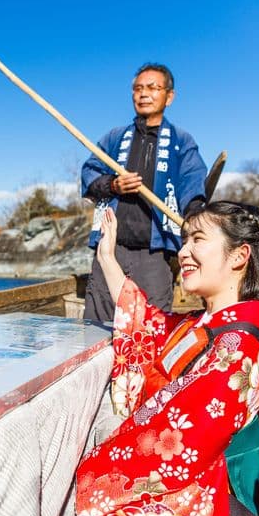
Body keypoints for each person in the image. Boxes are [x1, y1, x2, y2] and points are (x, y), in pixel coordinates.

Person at [74, 201, 259, 516]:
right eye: (185, 240)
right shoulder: (205, 327)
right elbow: (148, 324)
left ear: (239, 256)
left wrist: (95, 471)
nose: (184, 252)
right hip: (191, 487)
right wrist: (107, 259)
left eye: (197, 240)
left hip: (210, 513)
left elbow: (176, 442)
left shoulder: (238, 351)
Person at [81, 63, 207, 322]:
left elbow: (192, 183)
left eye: (153, 87)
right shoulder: (114, 138)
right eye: (138, 89)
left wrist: (194, 220)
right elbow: (89, 173)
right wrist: (113, 185)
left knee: (153, 326)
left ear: (169, 96)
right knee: (98, 324)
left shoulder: (181, 141)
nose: (144, 94)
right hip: (110, 249)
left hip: (155, 254)